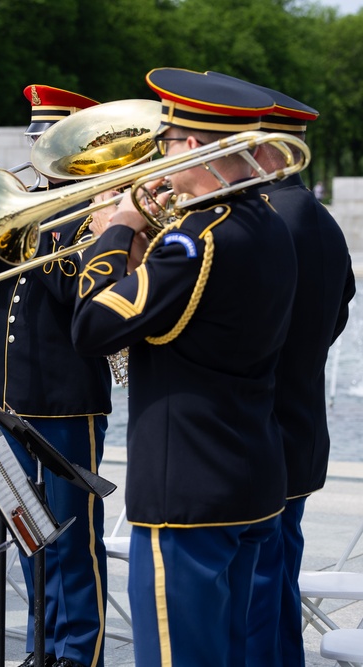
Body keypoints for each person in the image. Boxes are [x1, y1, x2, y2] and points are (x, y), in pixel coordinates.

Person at [70, 68, 296, 666]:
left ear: (193, 147)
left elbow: (91, 327)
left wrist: (116, 229)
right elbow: (192, 323)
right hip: (249, 478)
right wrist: (140, 256)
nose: (158, 158)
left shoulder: (196, 239)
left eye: (166, 144)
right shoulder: (266, 223)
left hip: (187, 492)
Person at [206, 75, 356, 666]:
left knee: (254, 600)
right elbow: (335, 315)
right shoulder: (317, 218)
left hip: (258, 431)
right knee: (275, 583)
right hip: (297, 423)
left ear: (262, 149)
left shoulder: (265, 221)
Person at [0, 85, 111, 667]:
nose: (34, 148)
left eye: (45, 138)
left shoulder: (92, 212)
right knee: (28, 533)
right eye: (32, 137)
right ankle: (40, 646)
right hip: (9, 397)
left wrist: (35, 225)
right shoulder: (26, 208)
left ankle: (78, 652)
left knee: (73, 539)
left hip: (67, 401)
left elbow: (82, 296)